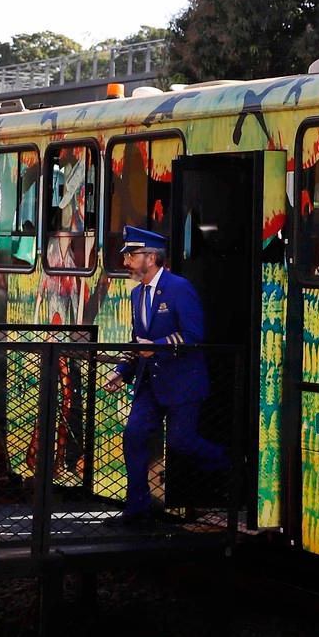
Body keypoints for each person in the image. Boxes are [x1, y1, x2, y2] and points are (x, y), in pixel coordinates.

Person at [102, 225, 227, 526]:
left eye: (132, 255)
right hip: (149, 381)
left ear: (151, 257)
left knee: (182, 442)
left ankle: (232, 468)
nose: (127, 261)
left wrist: (156, 347)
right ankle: (137, 509)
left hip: (182, 380)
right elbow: (138, 340)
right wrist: (121, 372)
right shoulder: (136, 295)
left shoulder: (178, 287)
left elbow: (193, 334)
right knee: (133, 436)